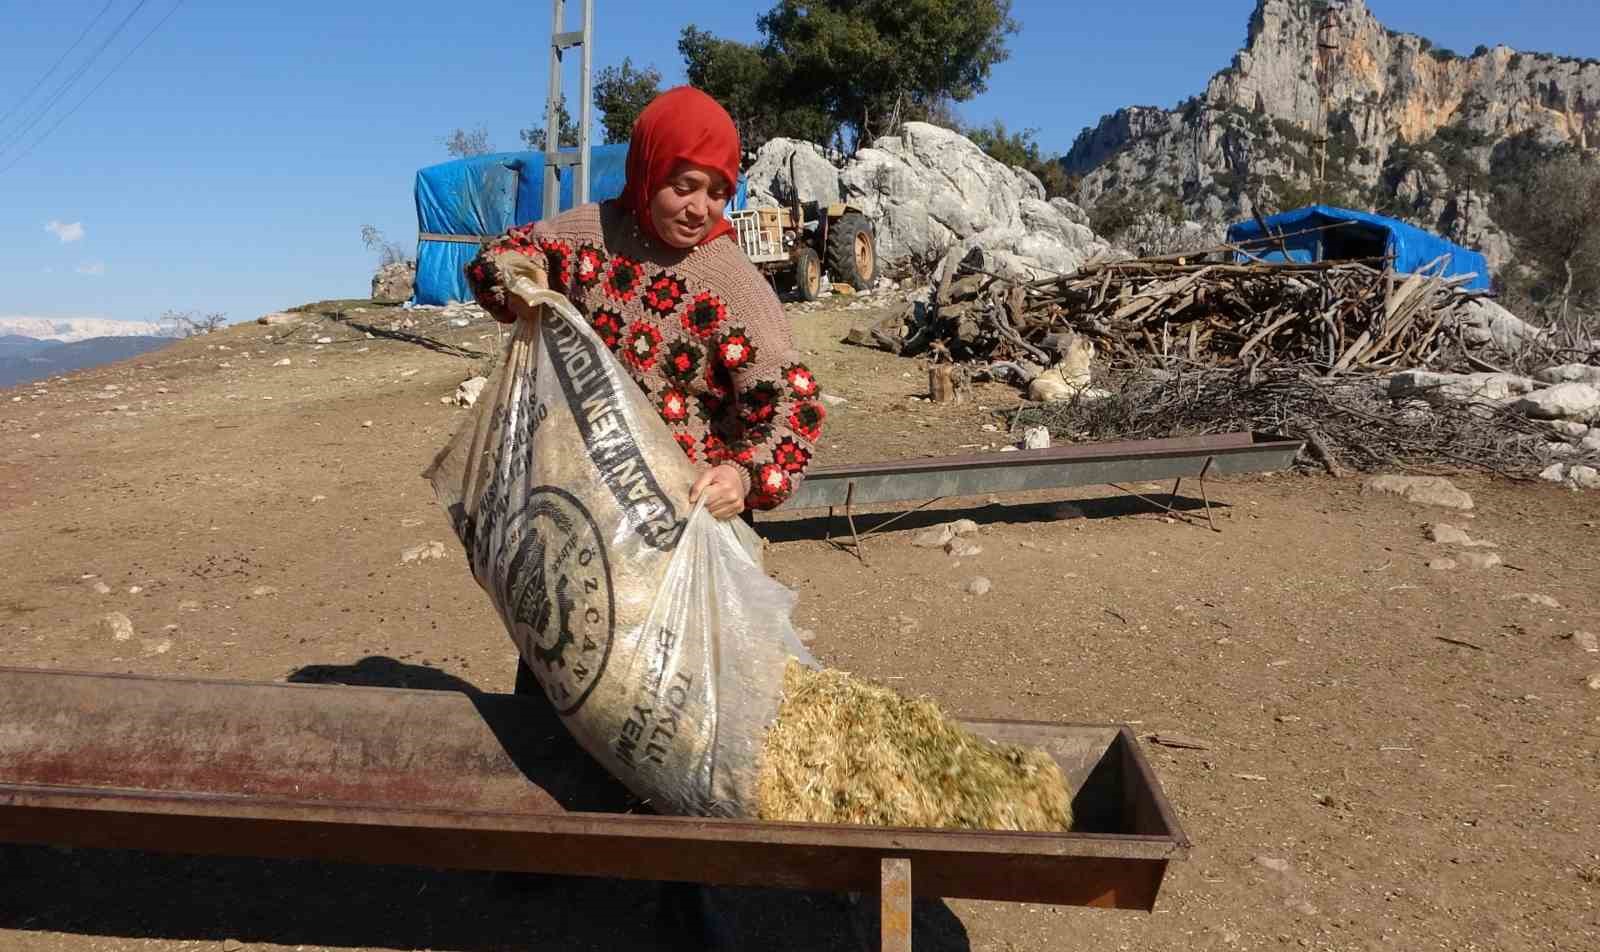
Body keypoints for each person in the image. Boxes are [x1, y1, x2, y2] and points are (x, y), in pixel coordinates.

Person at [465, 85, 825, 526]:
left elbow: (796, 403)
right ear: (648, 170)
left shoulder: (734, 288)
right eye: (684, 186)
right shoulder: (591, 233)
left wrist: (740, 475)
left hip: (682, 517)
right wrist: (521, 279)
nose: (699, 208)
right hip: (576, 501)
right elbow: (501, 256)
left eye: (717, 192)